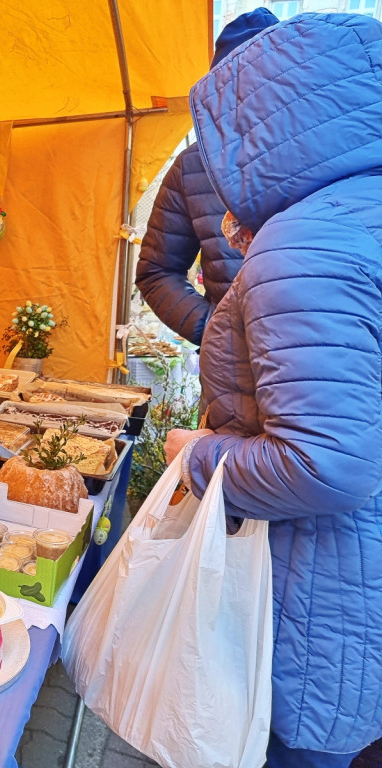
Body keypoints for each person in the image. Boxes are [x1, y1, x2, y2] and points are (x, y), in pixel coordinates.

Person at [165, 14, 382, 768]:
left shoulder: (309, 243)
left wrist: (197, 456)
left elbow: (327, 464)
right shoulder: (353, 208)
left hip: (318, 604)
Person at [135, 8, 278, 345]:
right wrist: (213, 329)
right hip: (230, 380)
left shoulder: (334, 151)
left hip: (334, 375)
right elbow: (156, 270)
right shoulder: (193, 166)